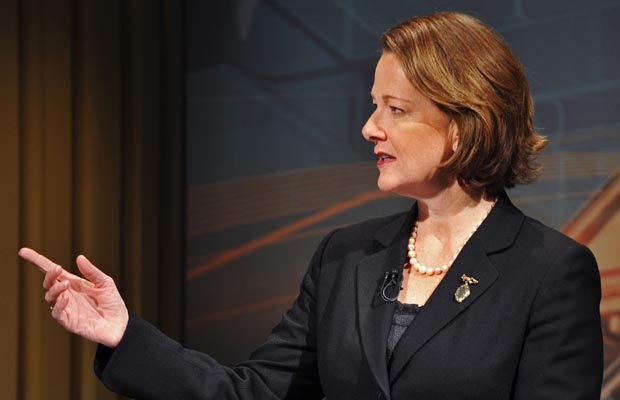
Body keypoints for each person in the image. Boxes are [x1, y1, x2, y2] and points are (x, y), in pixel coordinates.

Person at [19, 12, 603, 400]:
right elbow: (253, 393)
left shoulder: (550, 270)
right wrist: (124, 334)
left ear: (464, 125)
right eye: (374, 105)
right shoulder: (346, 255)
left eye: (395, 109)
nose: (370, 127)